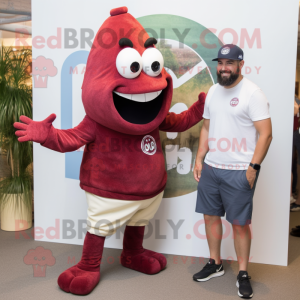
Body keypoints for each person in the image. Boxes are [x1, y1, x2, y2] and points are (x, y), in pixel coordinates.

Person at [192, 44, 272, 299]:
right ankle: (215, 263)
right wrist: (199, 158)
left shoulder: (252, 93)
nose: (224, 68)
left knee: (239, 224)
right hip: (212, 168)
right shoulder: (214, 91)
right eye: (221, 63)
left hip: (239, 171)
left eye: (230, 63)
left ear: (240, 65)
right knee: (210, 217)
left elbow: (266, 134)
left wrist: (253, 167)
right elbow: (206, 128)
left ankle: (243, 273)